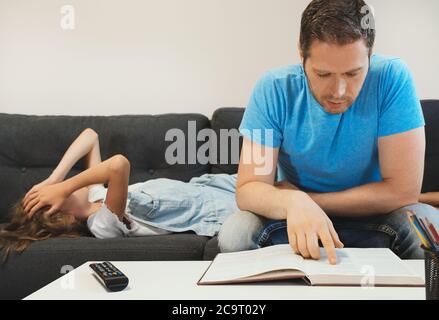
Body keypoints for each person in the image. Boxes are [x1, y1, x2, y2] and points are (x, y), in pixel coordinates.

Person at [217, 0, 439, 263]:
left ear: (370, 54)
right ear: (302, 55)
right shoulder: (273, 89)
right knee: (235, 233)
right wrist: (293, 205)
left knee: (428, 225)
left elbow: (402, 192)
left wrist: (304, 199)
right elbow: (249, 188)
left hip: (374, 218)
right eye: (323, 74)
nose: (339, 92)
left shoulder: (392, 78)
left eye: (353, 73)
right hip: (295, 220)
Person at [0, 128, 238, 262]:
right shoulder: (102, 224)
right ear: (66, 218)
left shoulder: (97, 194)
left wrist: (54, 178)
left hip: (213, 185)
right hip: (221, 210)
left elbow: (90, 136)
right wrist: (64, 187)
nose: (65, 187)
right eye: (61, 195)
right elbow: (118, 165)